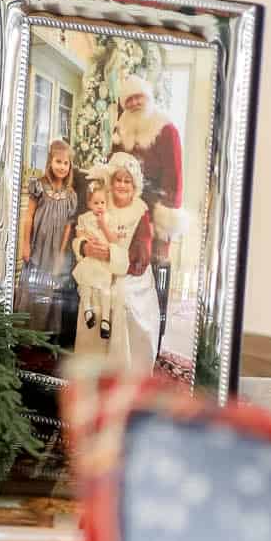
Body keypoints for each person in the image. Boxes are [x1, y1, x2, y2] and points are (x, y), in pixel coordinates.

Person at [72, 152, 159, 375]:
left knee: (121, 298)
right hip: (97, 268)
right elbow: (81, 231)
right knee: (93, 291)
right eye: (118, 180)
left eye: (127, 180)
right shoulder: (101, 201)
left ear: (134, 184)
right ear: (111, 181)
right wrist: (84, 247)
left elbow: (140, 259)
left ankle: (123, 373)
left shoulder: (140, 212)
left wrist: (110, 255)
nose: (121, 185)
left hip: (130, 275)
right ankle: (90, 369)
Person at [113, 72, 184, 342]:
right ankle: (128, 327)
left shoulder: (166, 129)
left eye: (138, 97)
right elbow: (113, 164)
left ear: (149, 97)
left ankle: (157, 332)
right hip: (127, 208)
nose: (133, 103)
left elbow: (175, 179)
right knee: (129, 269)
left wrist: (165, 228)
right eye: (128, 99)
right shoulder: (122, 128)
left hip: (156, 213)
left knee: (156, 270)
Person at [14, 138, 78, 337]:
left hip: (55, 250)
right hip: (37, 247)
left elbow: (68, 225)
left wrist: (61, 251)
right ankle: (23, 333)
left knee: (50, 292)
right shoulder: (39, 186)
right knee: (32, 288)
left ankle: (44, 336)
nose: (62, 166)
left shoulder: (70, 195)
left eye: (66, 163)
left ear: (70, 166)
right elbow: (29, 217)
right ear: (50, 161)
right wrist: (25, 245)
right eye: (58, 161)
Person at [70, 180, 124, 340]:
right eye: (96, 203)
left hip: (103, 261)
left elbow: (114, 240)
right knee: (85, 284)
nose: (100, 206)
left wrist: (103, 226)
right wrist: (86, 239)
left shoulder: (110, 219)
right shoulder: (84, 218)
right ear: (89, 203)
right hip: (90, 258)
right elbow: (79, 235)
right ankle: (88, 310)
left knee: (104, 289)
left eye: (102, 203)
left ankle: (105, 320)